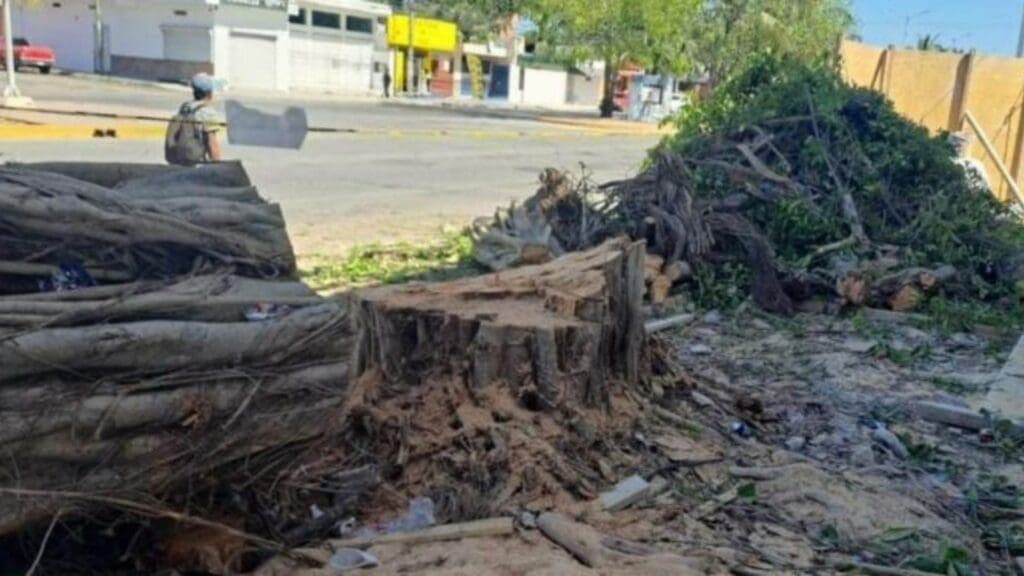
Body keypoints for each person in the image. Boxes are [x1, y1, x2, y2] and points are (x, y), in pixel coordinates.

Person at [165, 73, 223, 166]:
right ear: (209, 93)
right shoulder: (208, 113)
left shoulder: (185, 107)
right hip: (197, 163)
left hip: (180, 161)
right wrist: (218, 166)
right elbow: (212, 144)